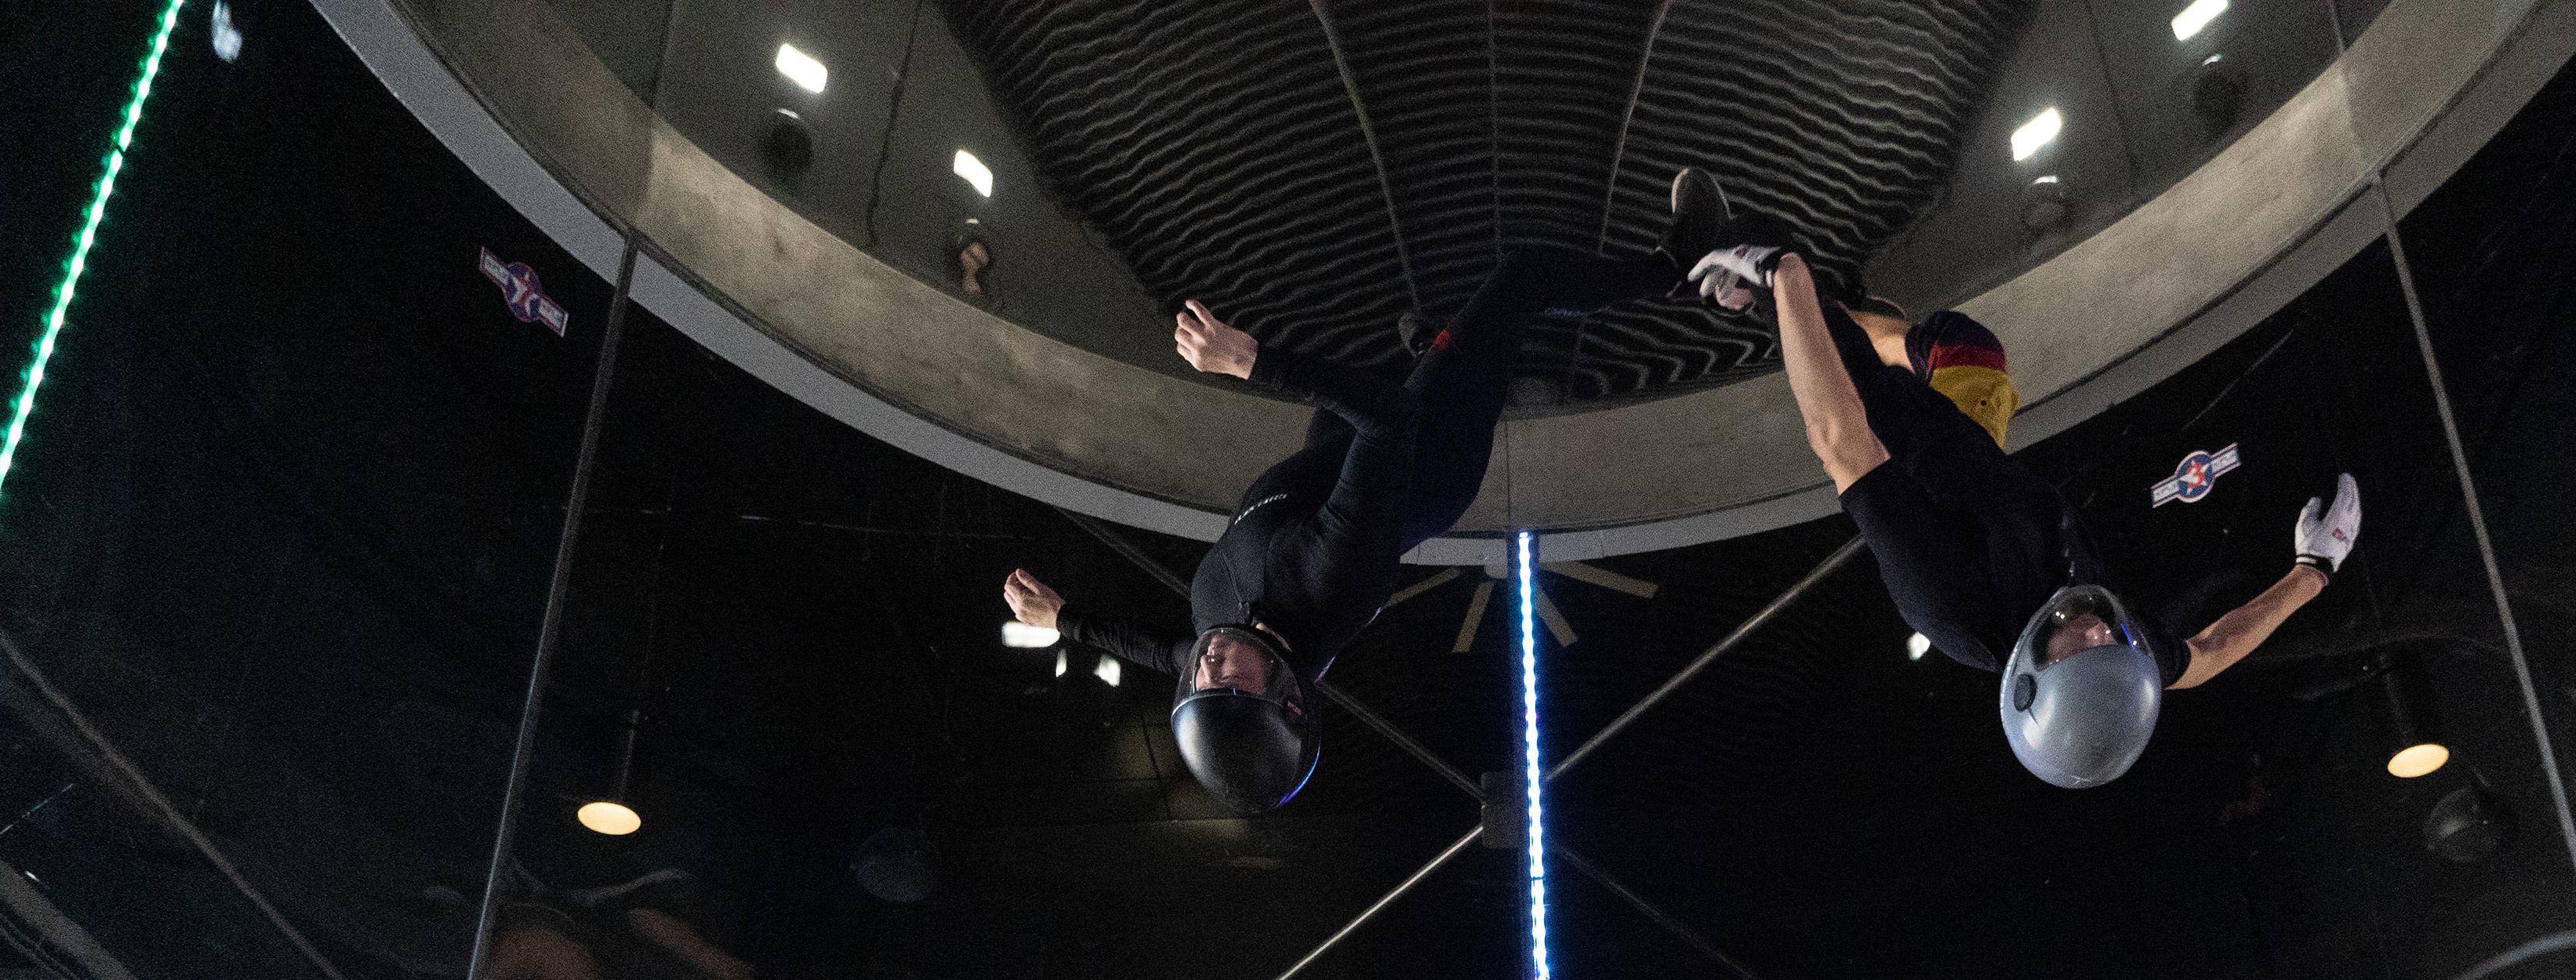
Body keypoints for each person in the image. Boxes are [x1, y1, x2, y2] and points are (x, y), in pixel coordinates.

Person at [1002, 183, 1739, 815]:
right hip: (1430, 447)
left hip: (1323, 464)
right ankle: (1676, 268)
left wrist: (1063, 619)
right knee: (1522, 278)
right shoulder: (1329, 580)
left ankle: (1430, 350)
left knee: (1374, 381)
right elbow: (1389, 422)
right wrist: (1253, 362)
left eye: (1199, 683)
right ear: (1290, 698)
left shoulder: (1218, 644)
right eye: (1226, 684)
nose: (1208, 666)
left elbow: (1154, 648)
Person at [1678, 173, 2362, 788]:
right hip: (1975, 456)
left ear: (2035, 676)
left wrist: (1785, 277)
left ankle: (1760, 291)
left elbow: (1841, 444)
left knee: (1935, 348)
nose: (2098, 636)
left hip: (1888, 432)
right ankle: (1783, 297)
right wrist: (2314, 571)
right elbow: (2207, 654)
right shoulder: (2117, 648)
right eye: (2110, 649)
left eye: (2080, 653)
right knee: (1963, 352)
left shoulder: (1952, 603)